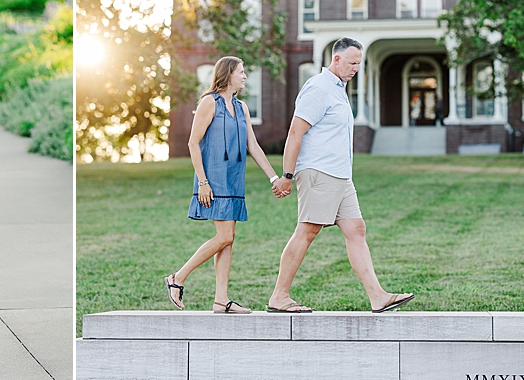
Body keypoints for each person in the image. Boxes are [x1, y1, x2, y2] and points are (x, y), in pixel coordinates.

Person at [267, 37, 414, 314]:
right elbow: (295, 132)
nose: (356, 68)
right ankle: (279, 296)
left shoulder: (338, 89)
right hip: (319, 171)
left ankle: (378, 296)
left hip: (340, 175)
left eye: (359, 63)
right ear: (336, 59)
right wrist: (287, 174)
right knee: (308, 231)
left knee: (356, 230)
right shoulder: (319, 88)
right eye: (352, 63)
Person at [165, 56, 283, 314]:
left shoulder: (242, 108)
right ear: (228, 74)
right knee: (225, 236)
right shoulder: (209, 102)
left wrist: (274, 177)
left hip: (234, 180)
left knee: (228, 240)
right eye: (241, 72)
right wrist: (203, 182)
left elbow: (253, 145)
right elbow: (193, 143)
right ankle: (178, 277)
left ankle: (221, 300)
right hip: (213, 179)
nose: (244, 76)